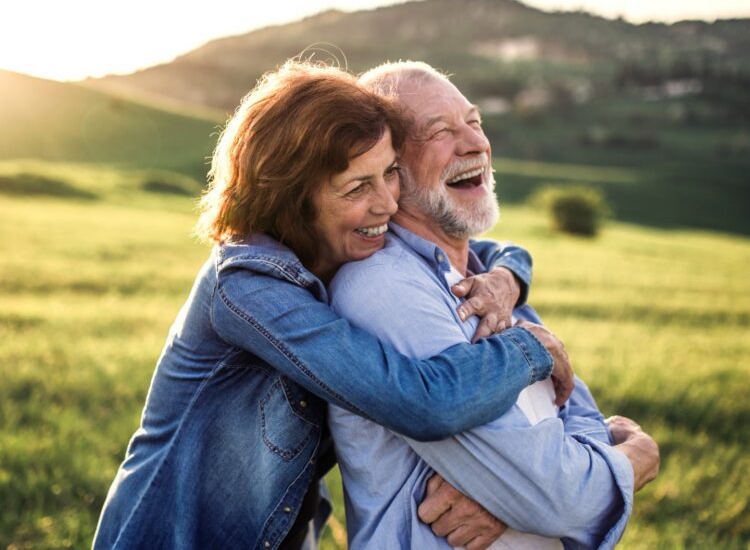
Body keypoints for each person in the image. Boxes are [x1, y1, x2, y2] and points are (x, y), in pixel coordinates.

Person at [91, 61, 576, 549]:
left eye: (390, 173)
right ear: (293, 198)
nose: (388, 203)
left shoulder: (338, 250)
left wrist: (506, 278)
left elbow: (487, 251)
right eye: (358, 187)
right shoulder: (248, 286)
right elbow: (421, 402)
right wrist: (530, 347)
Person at [328, 61, 661, 549]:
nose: (475, 144)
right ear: (388, 169)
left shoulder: (491, 284)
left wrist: (517, 496)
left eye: (475, 121)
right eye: (440, 132)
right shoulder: (384, 289)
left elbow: (573, 413)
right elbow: (559, 498)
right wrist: (638, 458)